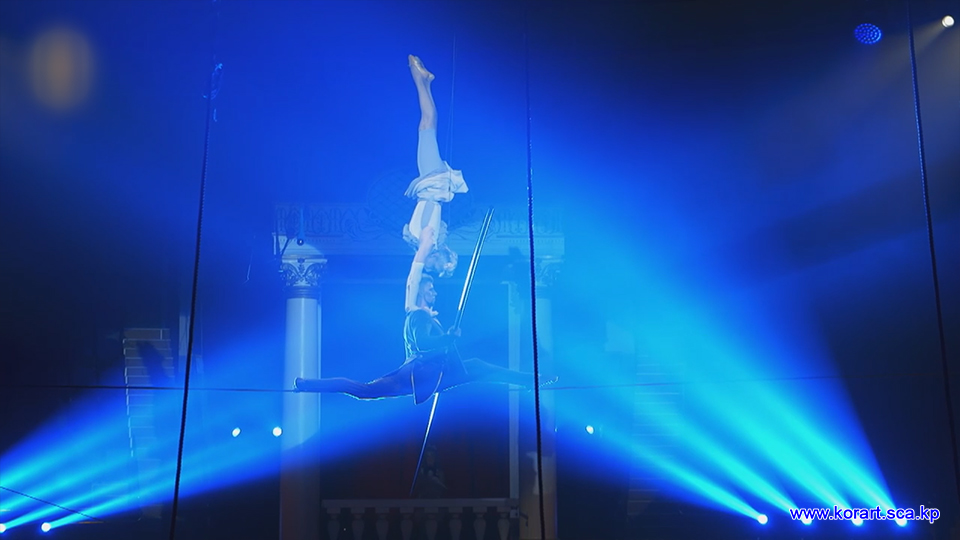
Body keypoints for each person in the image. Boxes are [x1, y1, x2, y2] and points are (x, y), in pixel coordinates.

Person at [293, 274, 551, 402]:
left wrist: (446, 339)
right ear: (421, 292)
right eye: (431, 288)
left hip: (413, 373)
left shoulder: (415, 316)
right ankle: (531, 380)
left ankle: (307, 384)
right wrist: (447, 338)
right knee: (480, 367)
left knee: (364, 391)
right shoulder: (420, 315)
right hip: (426, 373)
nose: (434, 292)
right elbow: (424, 343)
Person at [404, 54, 466, 314]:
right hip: (432, 182)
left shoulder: (426, 241)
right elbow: (416, 270)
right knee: (428, 122)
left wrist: (412, 305)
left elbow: (416, 271)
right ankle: (419, 77)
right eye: (439, 267)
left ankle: (422, 80)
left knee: (428, 122)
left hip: (432, 184)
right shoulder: (428, 241)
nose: (433, 267)